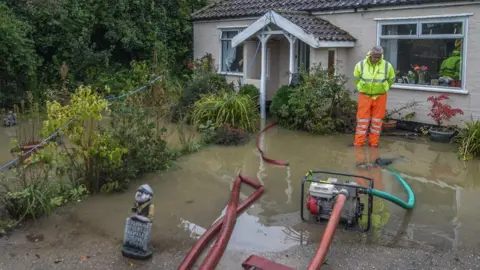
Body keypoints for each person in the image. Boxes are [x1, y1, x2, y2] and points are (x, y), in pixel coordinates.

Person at [353, 46, 396, 147]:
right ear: (370, 55)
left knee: (377, 121)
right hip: (364, 95)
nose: (377, 59)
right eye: (375, 57)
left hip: (380, 96)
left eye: (379, 57)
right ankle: (359, 143)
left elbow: (391, 79)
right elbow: (356, 78)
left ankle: (374, 143)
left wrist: (384, 88)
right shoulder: (361, 65)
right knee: (362, 121)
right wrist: (362, 87)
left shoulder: (387, 65)